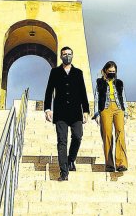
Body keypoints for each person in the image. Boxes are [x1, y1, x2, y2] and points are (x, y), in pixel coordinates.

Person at [43, 46, 89, 181]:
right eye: (64, 54)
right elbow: (49, 91)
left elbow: (83, 92)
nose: (67, 56)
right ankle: (64, 172)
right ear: (61, 56)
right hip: (60, 112)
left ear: (72, 56)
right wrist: (47, 109)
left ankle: (71, 159)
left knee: (78, 136)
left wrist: (86, 110)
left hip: (75, 112)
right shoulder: (55, 72)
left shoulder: (78, 73)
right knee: (62, 141)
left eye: (69, 54)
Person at [95, 60, 128, 172]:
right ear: (105, 71)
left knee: (120, 133)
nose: (112, 73)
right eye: (110, 71)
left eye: (114, 71)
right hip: (105, 109)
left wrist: (125, 113)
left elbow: (123, 97)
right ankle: (109, 164)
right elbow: (96, 98)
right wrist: (96, 114)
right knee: (107, 135)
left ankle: (121, 163)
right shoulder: (99, 82)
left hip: (118, 108)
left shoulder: (119, 83)